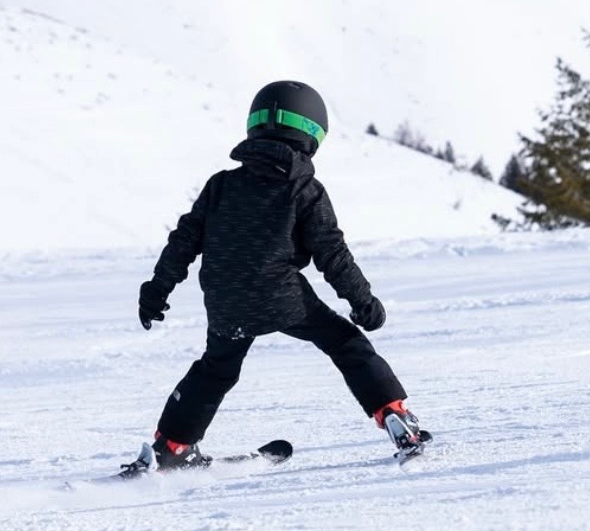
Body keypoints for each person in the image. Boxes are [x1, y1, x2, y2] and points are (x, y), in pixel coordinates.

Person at [136, 80, 428, 466]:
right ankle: (393, 413)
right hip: (281, 296)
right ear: (312, 132)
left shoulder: (221, 185)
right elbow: (332, 254)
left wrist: (158, 289)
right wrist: (363, 301)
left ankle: (171, 446)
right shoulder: (304, 189)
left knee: (216, 368)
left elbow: (184, 241)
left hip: (226, 299)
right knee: (345, 343)